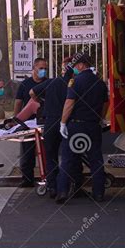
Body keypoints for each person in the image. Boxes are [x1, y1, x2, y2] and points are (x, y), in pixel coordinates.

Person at [56, 53, 109, 204]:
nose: (73, 69)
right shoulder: (99, 82)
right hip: (93, 125)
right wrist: (101, 118)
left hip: (76, 126)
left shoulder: (75, 82)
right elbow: (106, 103)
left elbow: (69, 103)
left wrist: (63, 123)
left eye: (74, 66)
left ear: (80, 65)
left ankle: (63, 192)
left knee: (68, 159)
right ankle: (99, 193)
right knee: (96, 160)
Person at [29, 57, 74, 198]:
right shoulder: (73, 84)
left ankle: (52, 187)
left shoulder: (52, 82)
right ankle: (64, 188)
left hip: (50, 122)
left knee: (51, 156)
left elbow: (32, 93)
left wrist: (43, 100)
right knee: (68, 157)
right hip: (66, 123)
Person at [13, 57, 48, 187]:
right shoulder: (25, 84)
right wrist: (16, 119)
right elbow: (18, 102)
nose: (43, 71)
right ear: (34, 68)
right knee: (27, 151)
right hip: (27, 123)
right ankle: (27, 179)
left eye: (45, 68)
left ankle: (48, 176)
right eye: (41, 68)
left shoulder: (48, 83)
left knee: (45, 150)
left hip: (43, 121)